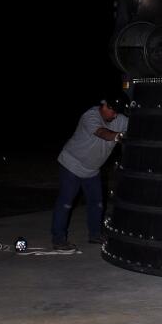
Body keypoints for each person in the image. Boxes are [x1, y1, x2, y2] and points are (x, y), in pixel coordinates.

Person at [51, 94, 129, 250]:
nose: (115, 116)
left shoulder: (120, 119)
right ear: (104, 105)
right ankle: (58, 239)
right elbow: (102, 133)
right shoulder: (90, 116)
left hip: (92, 170)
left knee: (97, 204)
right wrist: (119, 136)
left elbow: (139, 127)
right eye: (112, 111)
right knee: (66, 203)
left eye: (117, 113)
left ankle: (95, 235)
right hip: (71, 165)